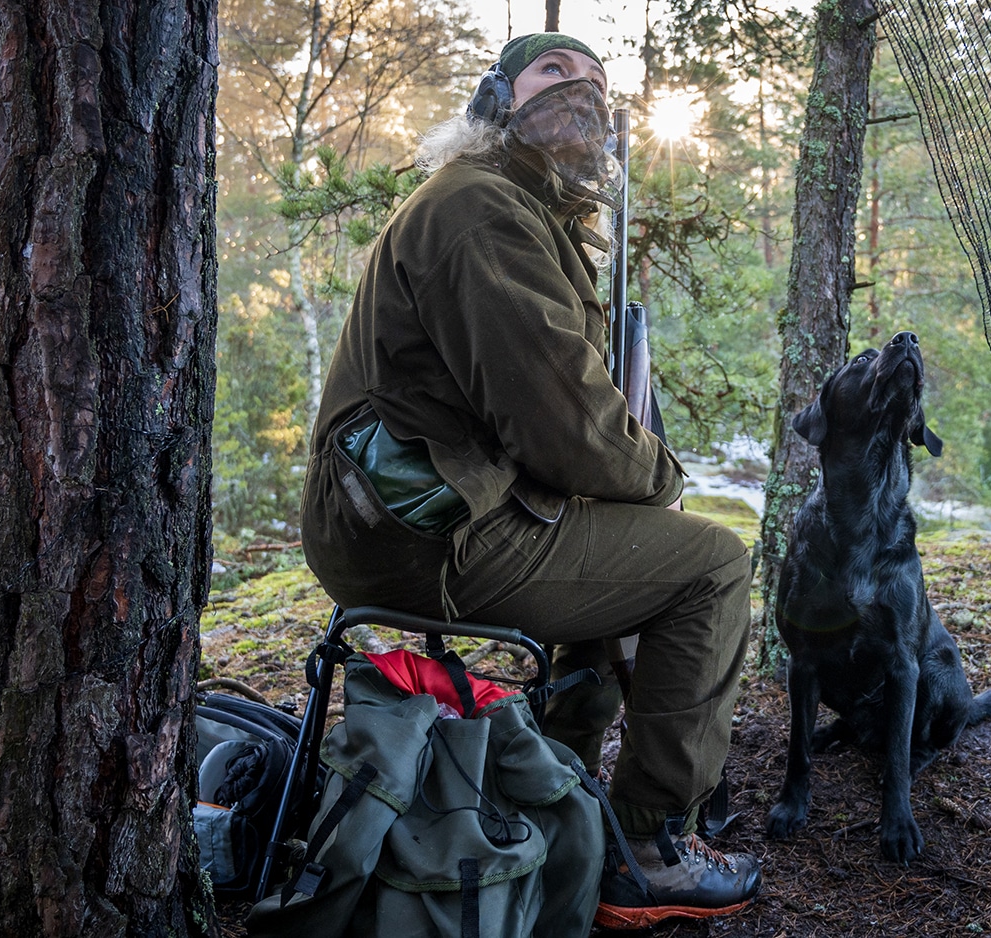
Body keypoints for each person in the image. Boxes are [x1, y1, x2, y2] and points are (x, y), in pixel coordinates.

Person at [299, 32, 761, 928]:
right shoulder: (482, 207)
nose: (579, 89)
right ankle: (650, 848)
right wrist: (660, 479)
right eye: (552, 71)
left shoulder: (516, 207)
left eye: (595, 80)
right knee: (711, 565)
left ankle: (556, 793)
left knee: (618, 543)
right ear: (494, 100)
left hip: (414, 514)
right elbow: (562, 422)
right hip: (427, 531)